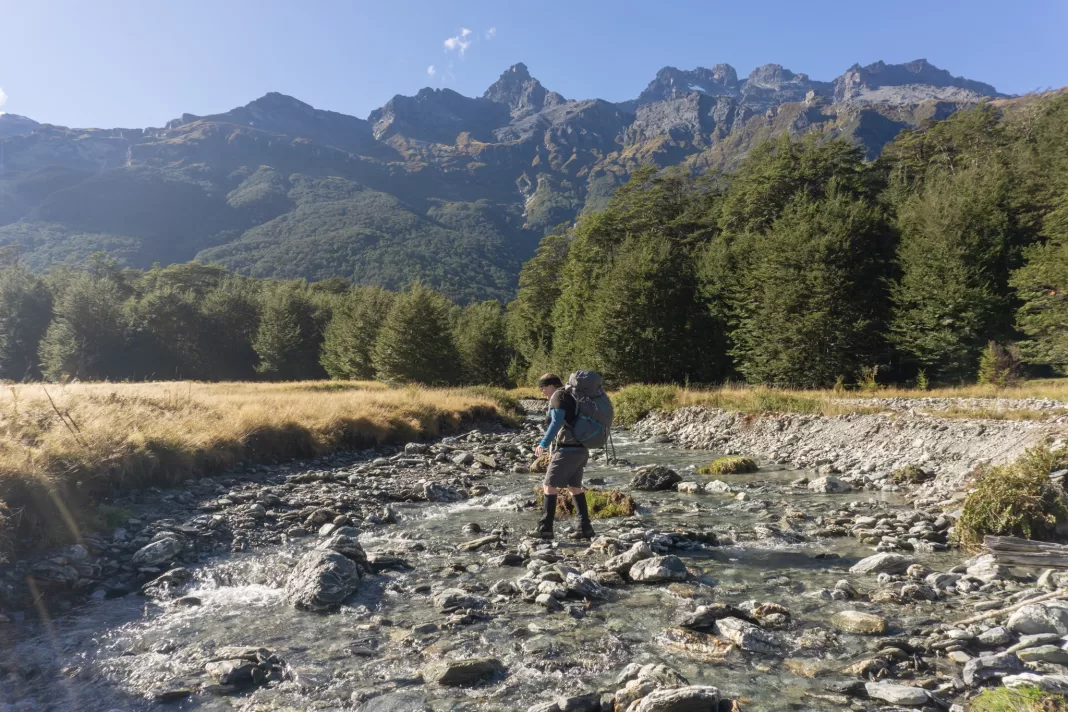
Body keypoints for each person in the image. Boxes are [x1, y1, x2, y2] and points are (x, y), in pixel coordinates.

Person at [529, 373, 595, 540]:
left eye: (543, 387)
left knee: (549, 486)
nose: (542, 391)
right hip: (581, 449)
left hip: (567, 450)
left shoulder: (559, 396)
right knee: (574, 488)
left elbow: (556, 422)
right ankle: (585, 528)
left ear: (551, 385)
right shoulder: (571, 396)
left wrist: (543, 444)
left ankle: (545, 529)